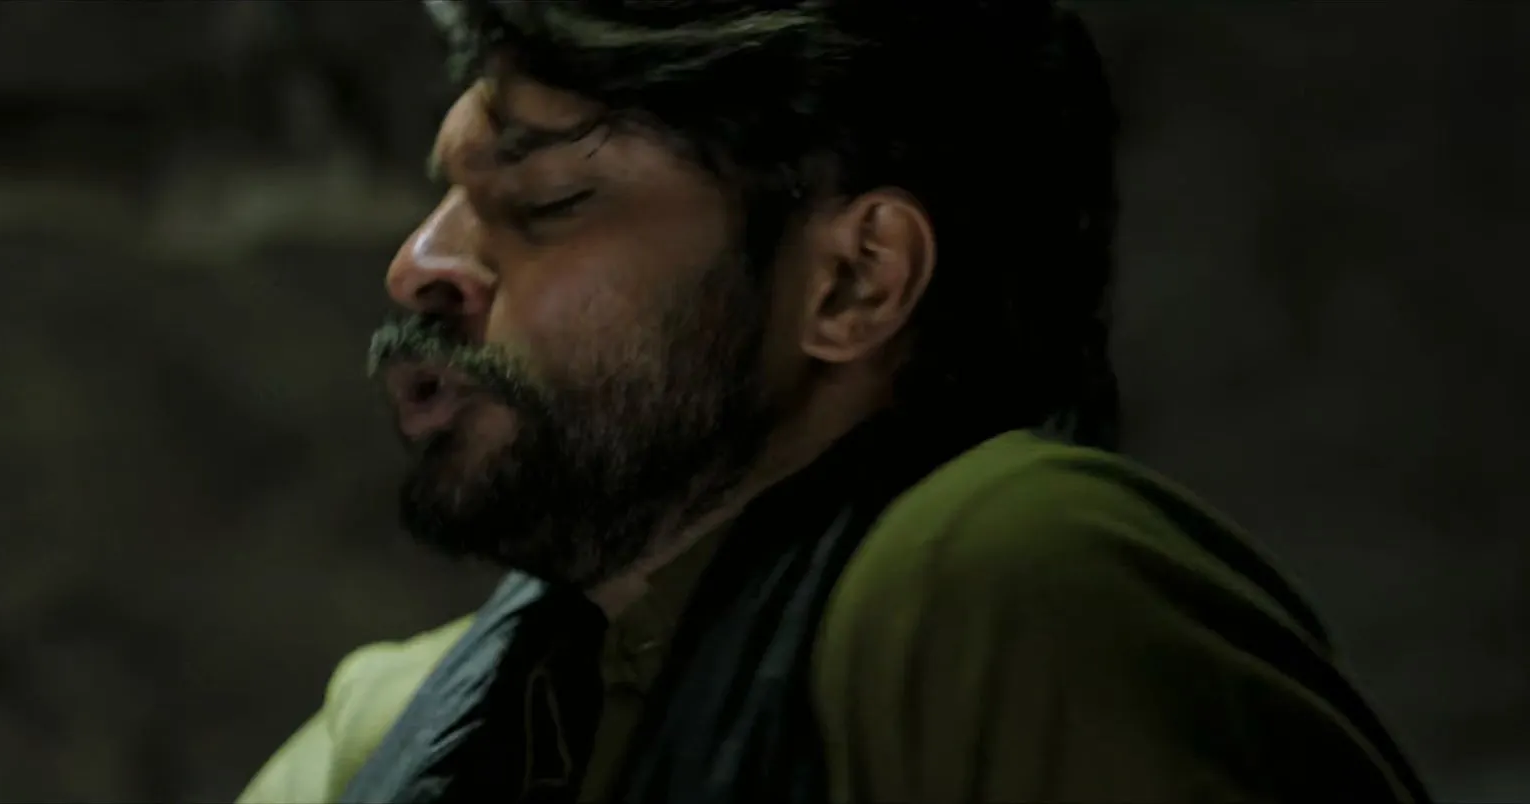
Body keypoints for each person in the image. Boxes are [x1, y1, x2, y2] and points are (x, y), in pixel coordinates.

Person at [242, 1, 1432, 802]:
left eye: (547, 199)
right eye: (445, 198)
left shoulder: (998, 572)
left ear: (855, 280)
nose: (418, 265)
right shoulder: (392, 721)